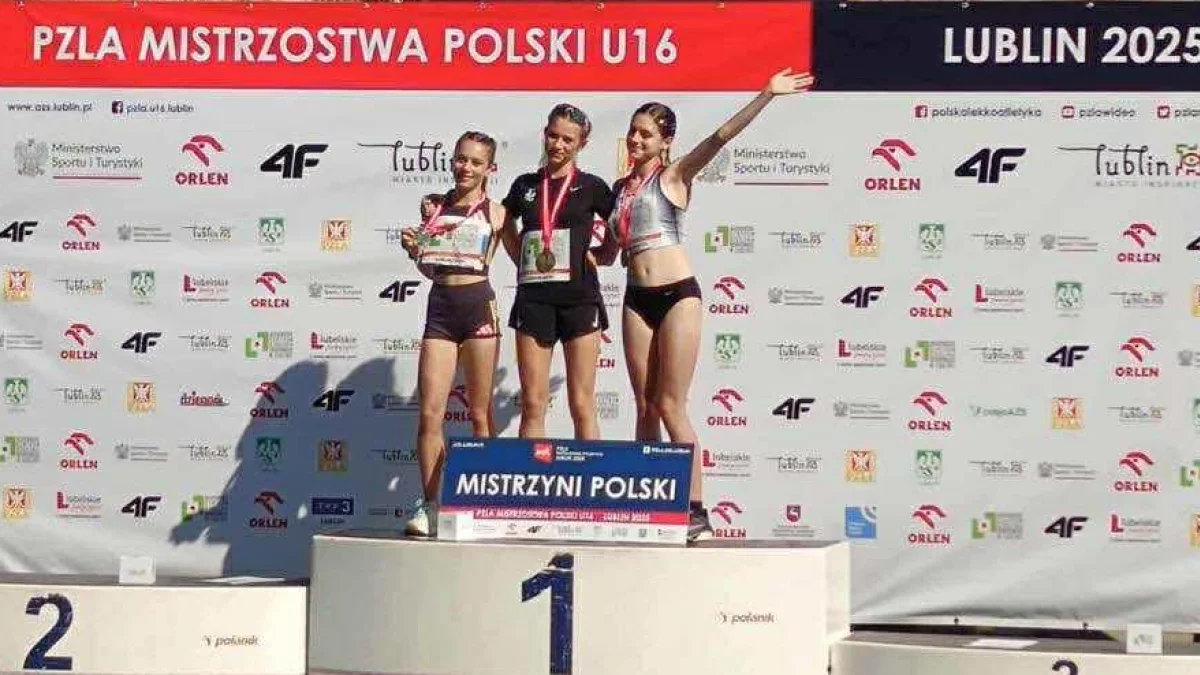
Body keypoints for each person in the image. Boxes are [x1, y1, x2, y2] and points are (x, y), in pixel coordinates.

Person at [596, 68, 816, 542]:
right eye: (633, 131)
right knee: (644, 406)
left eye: (646, 134)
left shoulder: (674, 176)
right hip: (635, 298)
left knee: (671, 405)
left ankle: (695, 510)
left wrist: (766, 95)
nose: (636, 139)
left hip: (677, 295)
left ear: (665, 142)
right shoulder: (618, 190)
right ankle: (648, 502)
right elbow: (609, 254)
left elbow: (720, 137)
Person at [399, 131, 506, 537]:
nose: (466, 168)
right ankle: (430, 504)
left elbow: (521, 255)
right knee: (430, 413)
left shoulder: (497, 212)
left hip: (479, 308)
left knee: (479, 413)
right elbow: (430, 266)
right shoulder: (434, 207)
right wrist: (415, 251)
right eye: (461, 159)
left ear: (490, 168)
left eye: (476, 162)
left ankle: (486, 502)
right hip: (441, 309)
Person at [501, 104, 615, 441]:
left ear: (582, 144)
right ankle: (529, 476)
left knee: (582, 403)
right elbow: (502, 221)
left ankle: (590, 475)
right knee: (533, 404)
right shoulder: (524, 185)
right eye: (553, 136)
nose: (558, 145)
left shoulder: (592, 186)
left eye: (568, 139)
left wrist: (606, 253)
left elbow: (620, 222)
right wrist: (519, 256)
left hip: (580, 300)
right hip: (534, 300)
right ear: (545, 134)